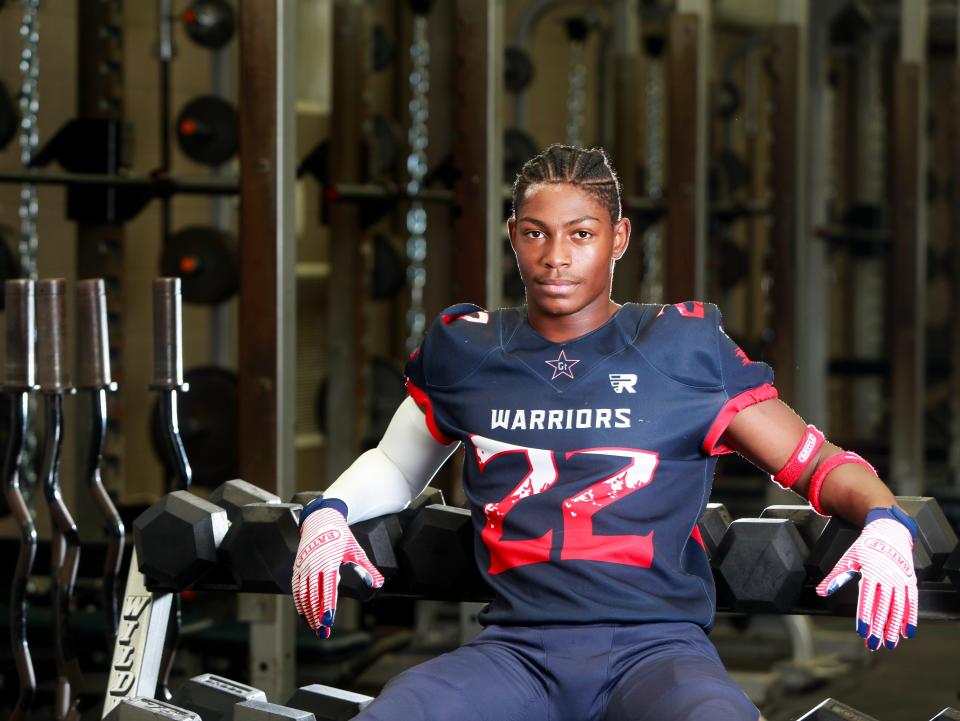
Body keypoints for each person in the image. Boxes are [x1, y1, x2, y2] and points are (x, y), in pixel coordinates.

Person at [291, 145, 919, 721]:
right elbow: (398, 466)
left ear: (618, 239)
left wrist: (886, 522)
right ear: (513, 237)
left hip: (656, 652)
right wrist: (330, 511)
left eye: (581, 235)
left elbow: (816, 464)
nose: (556, 256)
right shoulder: (469, 351)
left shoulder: (682, 351)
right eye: (535, 233)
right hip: (516, 652)